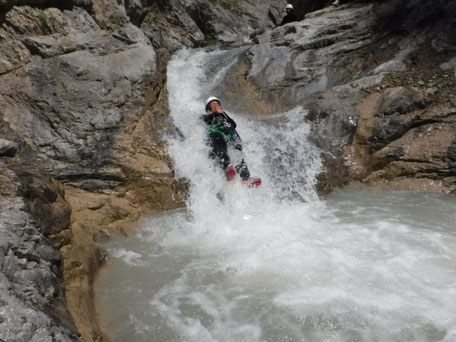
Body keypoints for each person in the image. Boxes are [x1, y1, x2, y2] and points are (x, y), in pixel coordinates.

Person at [201, 96, 261, 187]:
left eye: (217, 104)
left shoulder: (223, 116)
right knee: (218, 139)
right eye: (213, 104)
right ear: (209, 108)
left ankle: (246, 178)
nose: (216, 105)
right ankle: (227, 167)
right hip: (215, 142)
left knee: (238, 153)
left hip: (229, 140)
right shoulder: (207, 117)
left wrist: (223, 113)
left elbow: (233, 124)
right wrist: (216, 114)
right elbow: (206, 120)